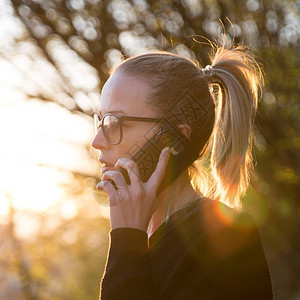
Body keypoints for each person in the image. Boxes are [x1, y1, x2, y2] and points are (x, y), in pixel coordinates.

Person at [91, 39, 274, 299]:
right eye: (100, 121)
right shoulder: (141, 238)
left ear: (172, 140)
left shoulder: (224, 238)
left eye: (115, 122)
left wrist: (127, 242)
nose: (97, 141)